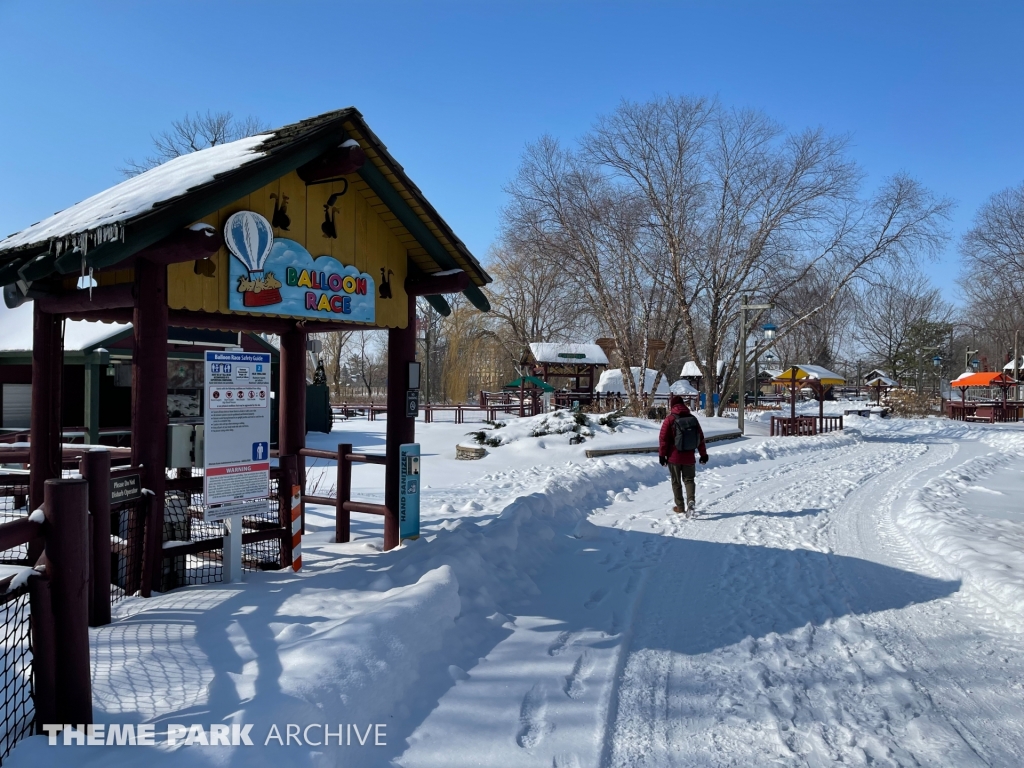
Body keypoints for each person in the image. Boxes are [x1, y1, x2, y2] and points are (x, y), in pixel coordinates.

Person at [658, 395, 709, 517]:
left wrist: (662, 455)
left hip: (673, 457)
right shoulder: (693, 419)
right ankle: (691, 501)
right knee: (689, 480)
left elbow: (663, 439)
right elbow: (700, 438)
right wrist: (703, 454)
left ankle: (680, 507)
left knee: (676, 482)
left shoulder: (669, 419)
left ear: (672, 405)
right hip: (689, 456)